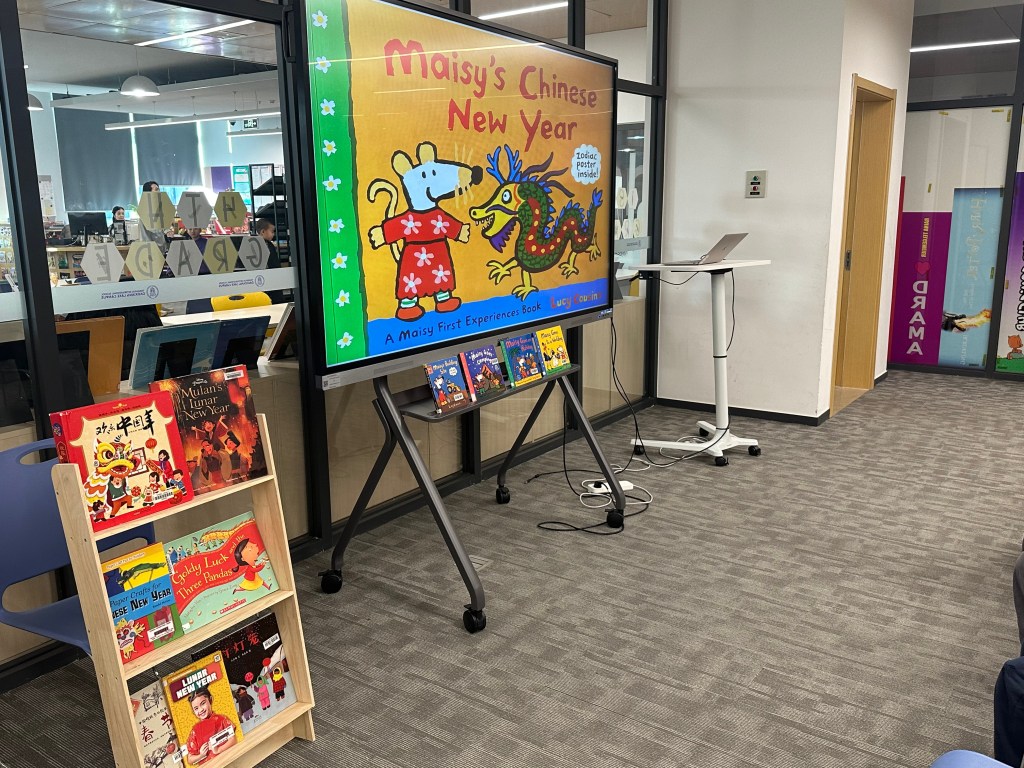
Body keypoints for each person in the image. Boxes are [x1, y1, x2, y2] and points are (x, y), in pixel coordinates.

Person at [183, 686, 237, 765]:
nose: (201, 710)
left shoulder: (222, 719)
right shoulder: (194, 732)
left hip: (227, 762)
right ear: (193, 711)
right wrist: (201, 755)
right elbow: (190, 759)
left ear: (210, 700)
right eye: (196, 708)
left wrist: (218, 750)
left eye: (203, 703)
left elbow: (233, 740)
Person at [255, 218, 286, 303]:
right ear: (263, 232)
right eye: (272, 231)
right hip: (271, 279)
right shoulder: (267, 245)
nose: (273, 234)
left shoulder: (259, 244)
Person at [138, 180, 169, 252]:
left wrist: (167, 230)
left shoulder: (160, 210)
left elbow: (163, 229)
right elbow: (145, 239)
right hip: (152, 252)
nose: (159, 192)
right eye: (156, 189)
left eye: (159, 189)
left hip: (163, 251)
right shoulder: (144, 213)